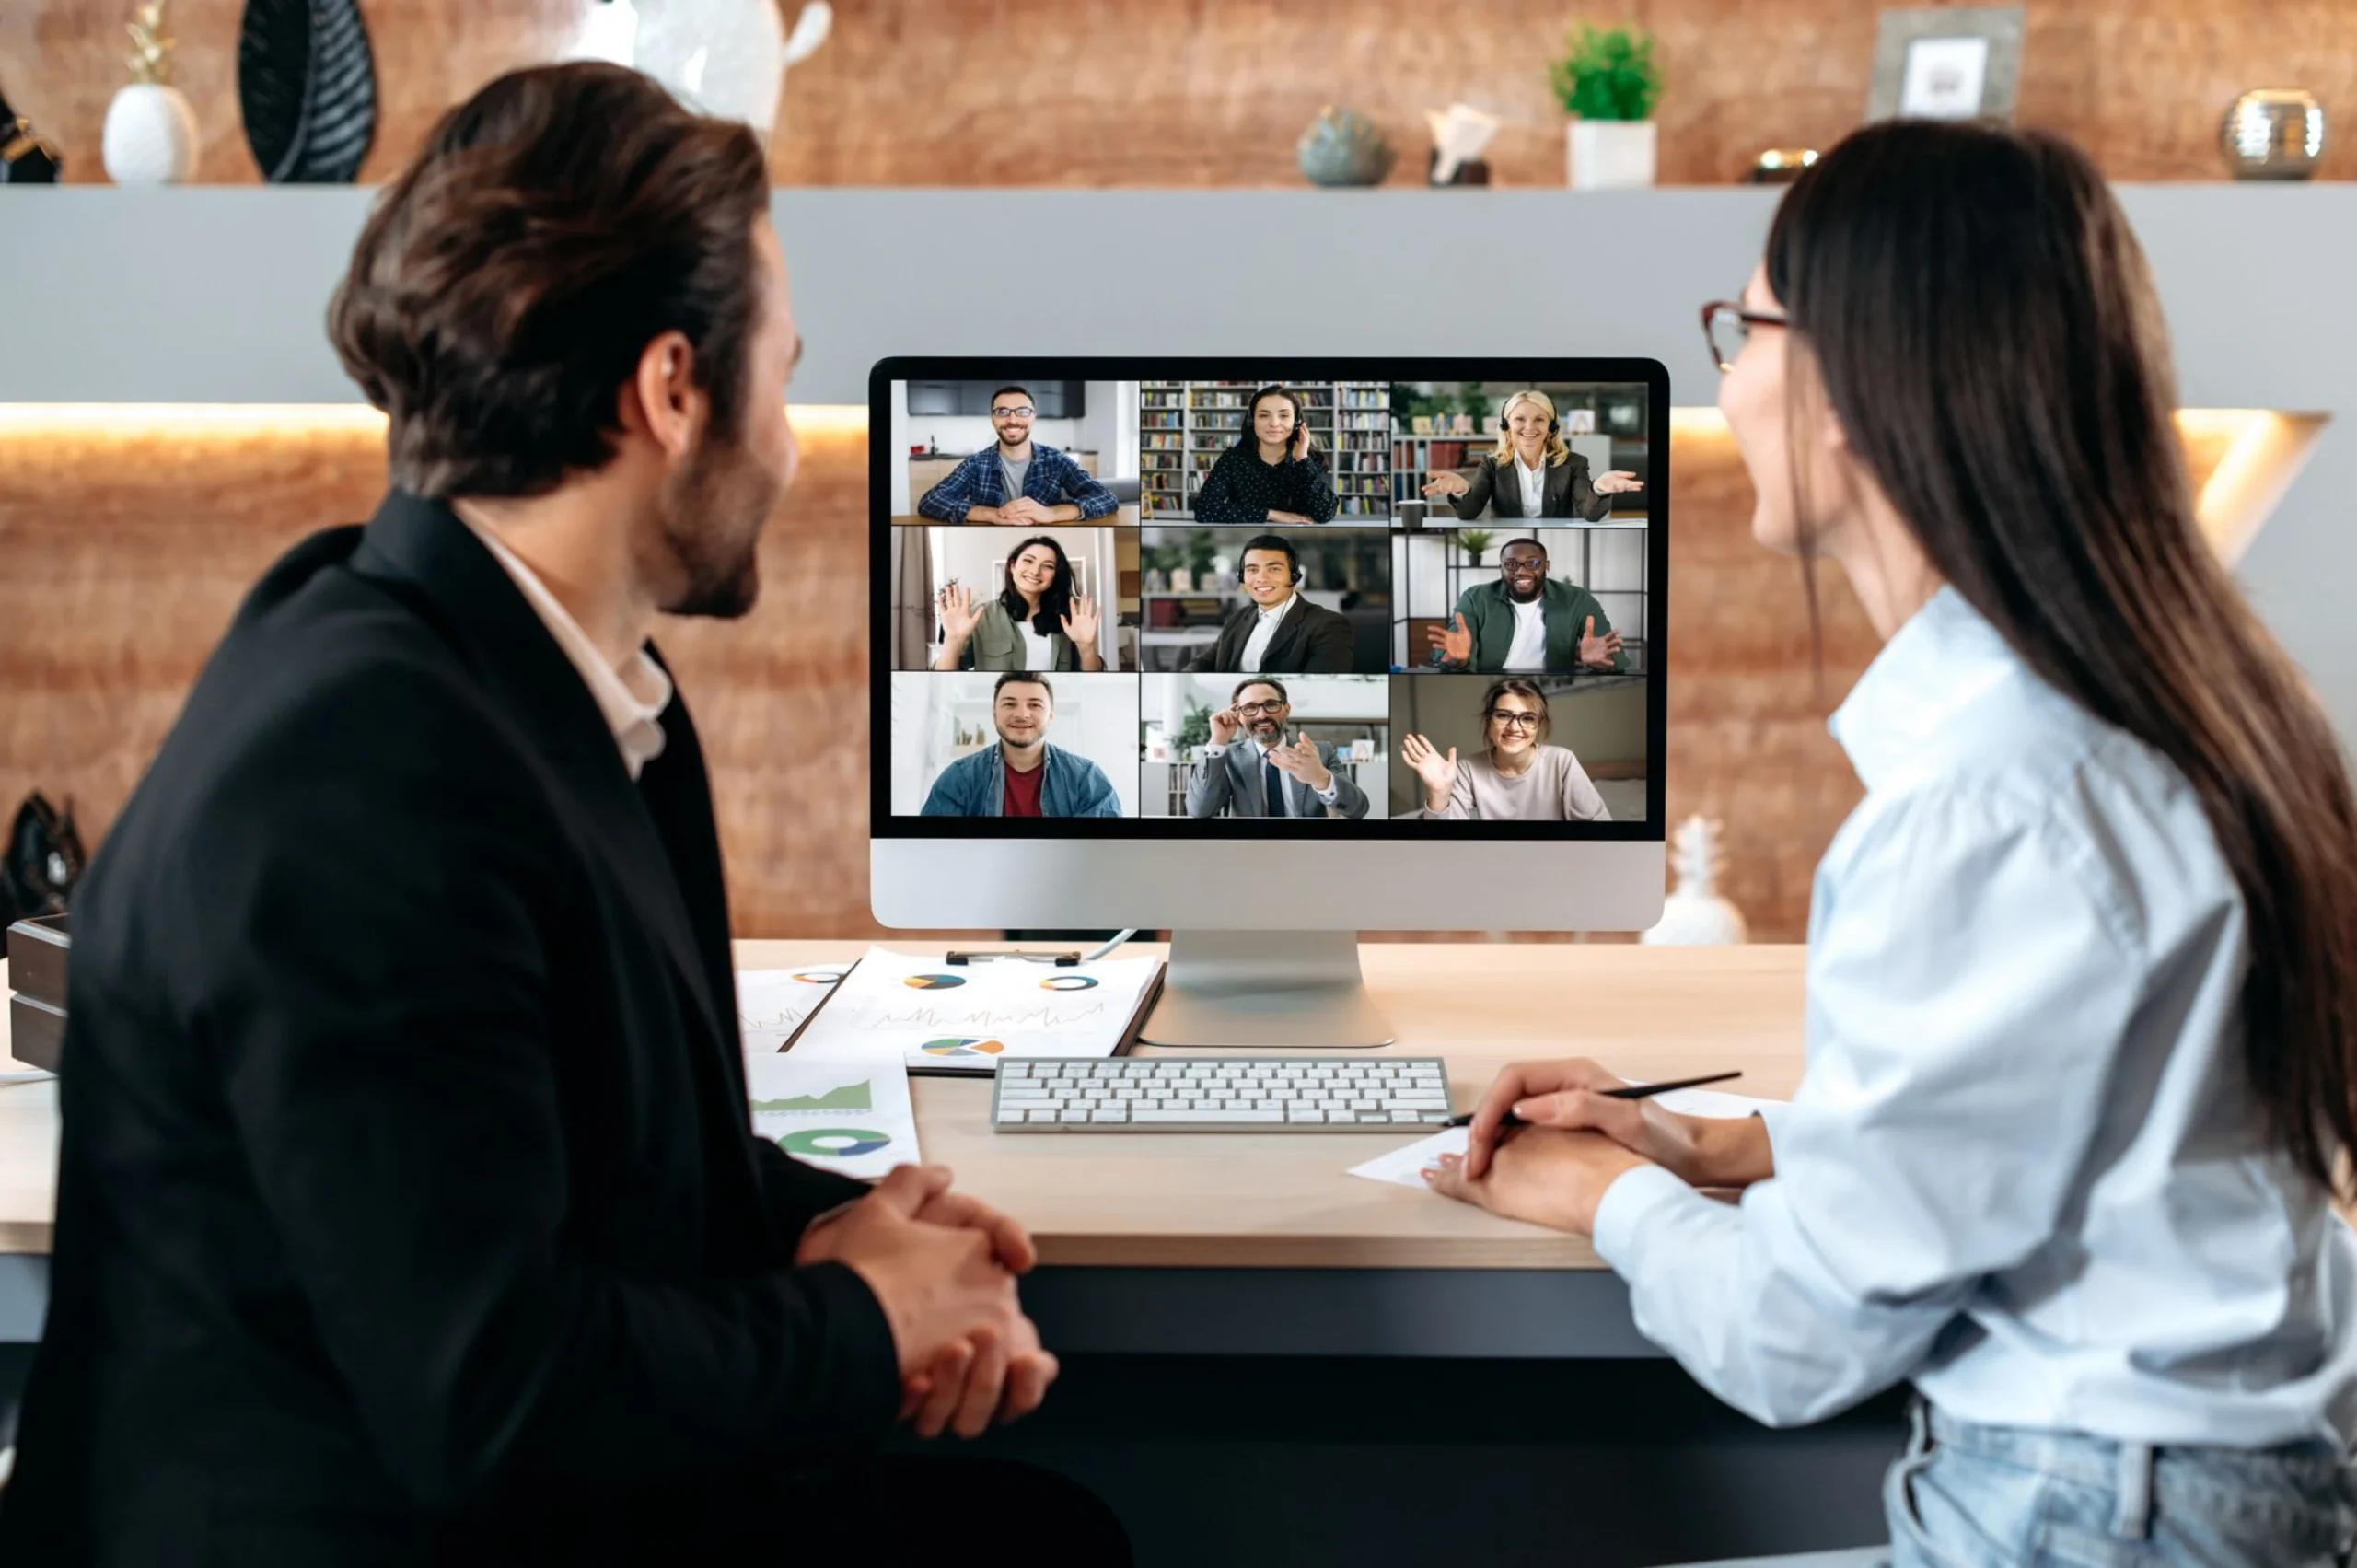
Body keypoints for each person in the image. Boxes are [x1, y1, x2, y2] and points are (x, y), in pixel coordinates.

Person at [0, 64, 1131, 1566]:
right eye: (777, 376)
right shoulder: (367, 772)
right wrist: (860, 1321)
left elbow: (596, 1160)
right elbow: (490, 1391)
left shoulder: (539, 683)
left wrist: (835, 1228)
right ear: (673, 390)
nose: (787, 444)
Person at [1426, 120, 2357, 1567]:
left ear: (1855, 375)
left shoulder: (1984, 804)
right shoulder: (2179, 705)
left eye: (1745, 328)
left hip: (2092, 1521)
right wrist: (1718, 1140)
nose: (1727, 378)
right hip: (2209, 1493)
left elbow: (1792, 1338)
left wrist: (1614, 1196)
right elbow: (2050, 1132)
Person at [1399, 679, 1608, 821]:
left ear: (1539, 726)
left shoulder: (1561, 761)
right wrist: (1440, 793)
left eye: (1527, 718)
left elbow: (1599, 828)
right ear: (1488, 722)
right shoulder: (1468, 769)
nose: (1514, 728)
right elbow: (1442, 844)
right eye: (1503, 715)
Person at [1419, 388, 1643, 519]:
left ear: (1551, 427)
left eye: (1539, 419)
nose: (1529, 427)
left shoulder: (1574, 463)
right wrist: (1460, 489)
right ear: (1506, 426)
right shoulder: (1491, 464)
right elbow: (1470, 511)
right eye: (1519, 419)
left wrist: (1600, 489)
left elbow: (1589, 513)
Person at [920, 673, 1122, 818]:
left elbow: (1101, 853)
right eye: (1009, 704)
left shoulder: (1086, 778)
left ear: (1050, 716)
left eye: (1034, 705)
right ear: (994, 714)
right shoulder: (959, 778)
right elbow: (935, 850)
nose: (1022, 714)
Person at [914, 385, 1120, 525]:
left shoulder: (1056, 460)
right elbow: (930, 501)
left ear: (1033, 417)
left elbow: (1106, 498)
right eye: (1002, 412)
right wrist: (992, 515)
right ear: (993, 419)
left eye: (1022, 411)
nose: (1012, 419)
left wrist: (1051, 513)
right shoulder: (975, 464)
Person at [1427, 537, 1631, 675]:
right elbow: (1450, 654)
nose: (1521, 571)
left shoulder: (1578, 600)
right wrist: (1459, 661)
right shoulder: (1475, 598)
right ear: (1502, 568)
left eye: (1532, 564)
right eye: (1512, 564)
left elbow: (1617, 659)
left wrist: (1598, 664)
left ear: (1546, 566)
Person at [1186, 678, 1370, 819]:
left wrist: (1320, 778)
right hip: (1247, 851)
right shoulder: (1228, 757)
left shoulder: (1320, 752)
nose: (1262, 715)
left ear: (1287, 709)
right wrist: (1217, 741)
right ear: (1239, 716)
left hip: (1308, 851)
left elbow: (1358, 810)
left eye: (1271, 705)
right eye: (1250, 708)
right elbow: (1200, 811)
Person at [931, 534, 1104, 672]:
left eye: (1048, 566)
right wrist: (953, 640)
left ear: (1056, 575)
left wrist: (1087, 647)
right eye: (1028, 561)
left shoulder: (1069, 617)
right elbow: (943, 681)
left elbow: (1092, 681)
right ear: (1012, 566)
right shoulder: (981, 615)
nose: (1035, 571)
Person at [1185, 533, 1353, 674]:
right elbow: (1203, 663)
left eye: (1274, 569)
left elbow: (1322, 688)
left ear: (1294, 576)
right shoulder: (1238, 618)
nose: (1261, 578)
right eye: (1252, 570)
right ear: (1242, 578)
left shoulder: (1328, 625)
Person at [1190, 384, 1338, 525]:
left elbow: (1325, 513)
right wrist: (1271, 515)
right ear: (1251, 421)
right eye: (1263, 415)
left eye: (1284, 416)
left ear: (1297, 422)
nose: (1274, 423)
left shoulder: (1310, 460)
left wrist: (1302, 460)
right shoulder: (1233, 459)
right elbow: (1204, 510)